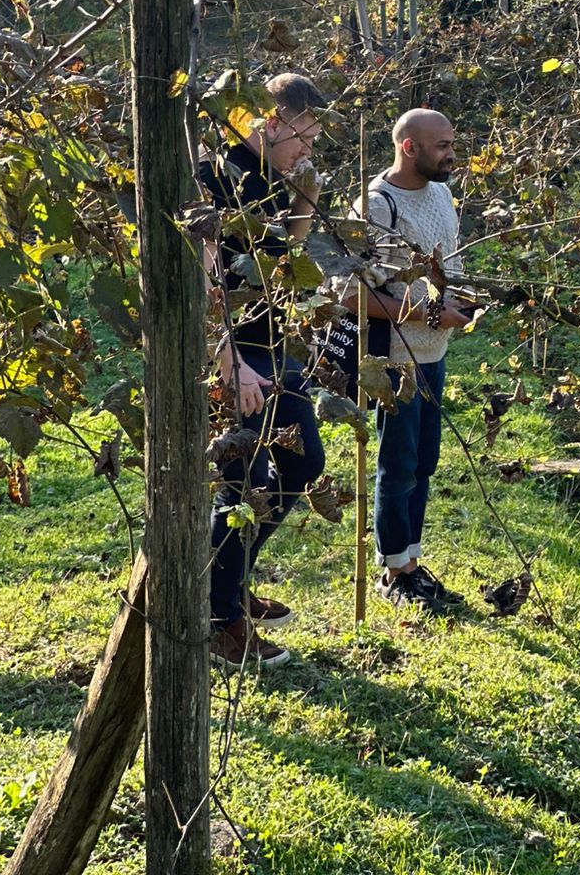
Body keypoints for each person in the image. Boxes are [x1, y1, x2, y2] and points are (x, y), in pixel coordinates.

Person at [199, 71, 329, 670]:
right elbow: (203, 283)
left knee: (302, 462)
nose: (308, 149)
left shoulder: (275, 178)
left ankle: (228, 581)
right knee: (242, 478)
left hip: (274, 346)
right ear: (269, 122)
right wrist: (230, 363)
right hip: (238, 356)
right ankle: (219, 618)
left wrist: (304, 200)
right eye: (304, 135)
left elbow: (285, 260)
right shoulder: (214, 177)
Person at [344, 108, 475, 613]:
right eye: (442, 146)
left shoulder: (441, 193)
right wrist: (430, 313)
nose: (451, 154)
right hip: (394, 358)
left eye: (452, 143)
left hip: (433, 352)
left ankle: (411, 565)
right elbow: (350, 294)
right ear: (409, 147)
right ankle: (392, 571)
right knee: (397, 465)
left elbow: (447, 266)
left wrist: (462, 302)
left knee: (424, 462)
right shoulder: (376, 207)